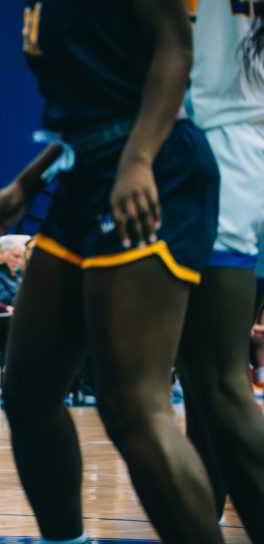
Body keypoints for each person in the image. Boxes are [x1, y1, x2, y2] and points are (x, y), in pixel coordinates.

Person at [0, 1, 223, 542]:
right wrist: (28, 182)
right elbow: (85, 107)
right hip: (83, 171)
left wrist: (138, 159)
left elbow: (175, 47)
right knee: (28, 392)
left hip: (153, 164)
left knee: (132, 403)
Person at [173, 1, 264, 540]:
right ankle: (201, 517)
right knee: (208, 382)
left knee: (215, 380)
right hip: (246, 154)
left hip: (221, 158)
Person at [0, 234, 29, 307]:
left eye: (21, 257)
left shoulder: (15, 272)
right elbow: (7, 301)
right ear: (1, 253)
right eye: (16, 256)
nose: (18, 261)